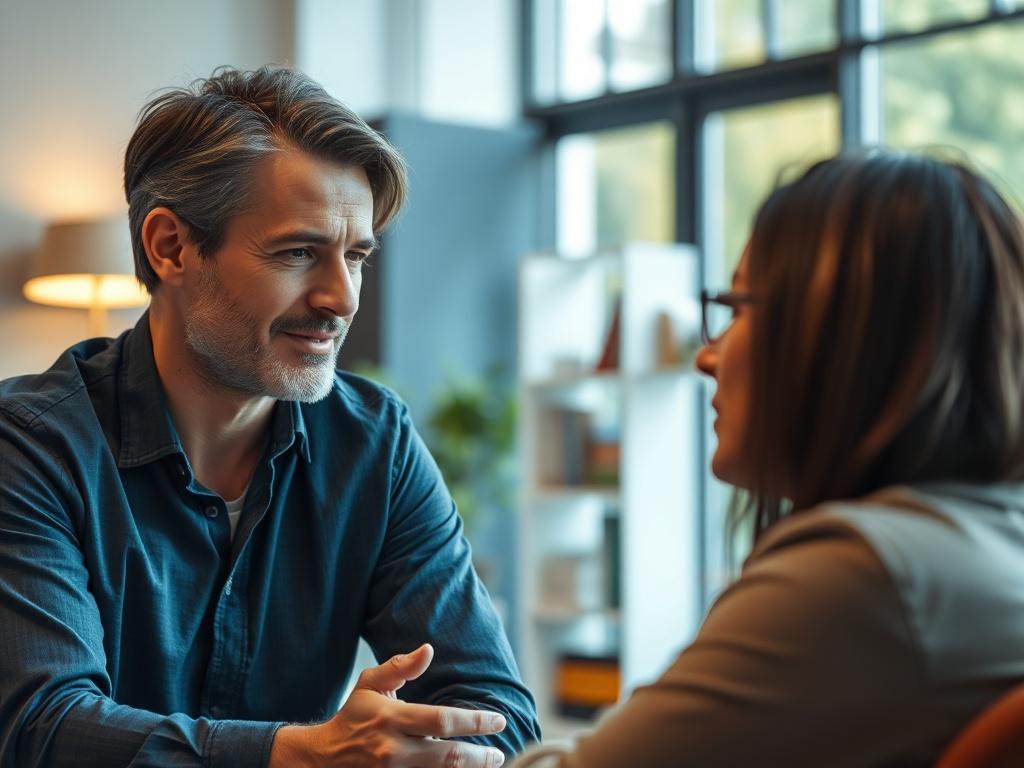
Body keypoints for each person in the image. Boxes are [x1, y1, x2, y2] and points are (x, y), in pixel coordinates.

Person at [0, 66, 538, 767]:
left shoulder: (375, 444)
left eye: (355, 257)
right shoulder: (32, 444)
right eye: (298, 253)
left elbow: (497, 713)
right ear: (172, 248)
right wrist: (300, 754)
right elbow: (43, 729)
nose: (341, 299)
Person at [513, 149, 1024, 767]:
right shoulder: (982, 542)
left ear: (840, 341)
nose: (706, 357)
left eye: (736, 310)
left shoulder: (867, 578)